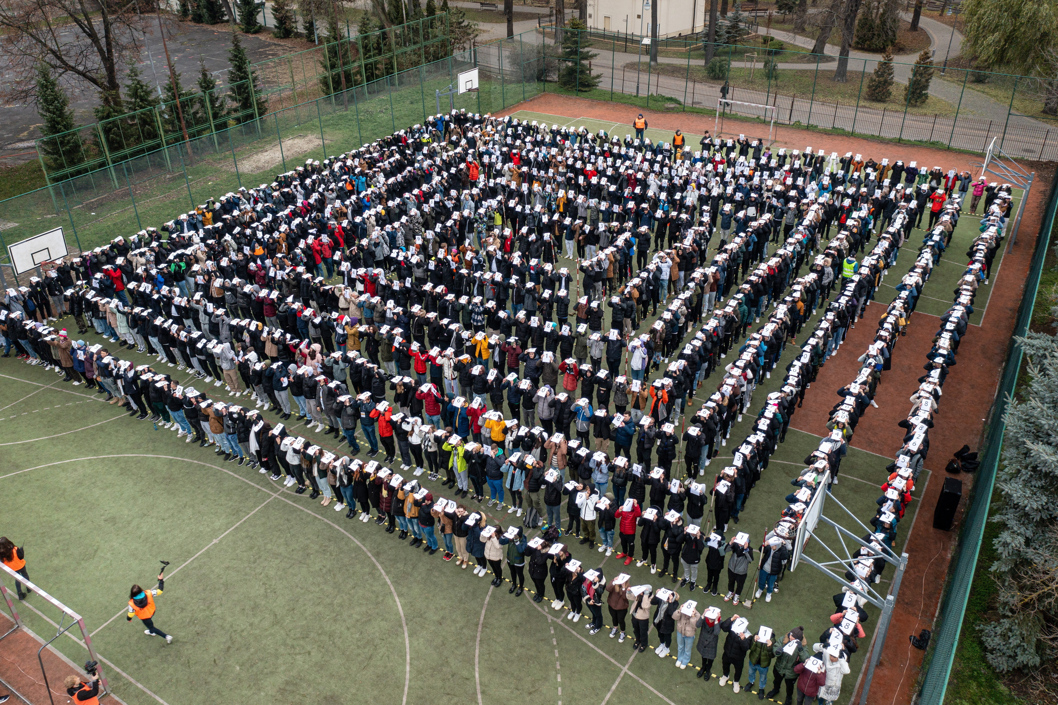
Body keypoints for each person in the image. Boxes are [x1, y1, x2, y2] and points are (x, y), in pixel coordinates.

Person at [126, 572, 172, 644]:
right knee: (150, 624)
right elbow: (160, 591)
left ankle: (166, 636)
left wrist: (129, 619)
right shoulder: (149, 593)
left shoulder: (131, 603)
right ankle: (151, 632)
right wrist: (161, 580)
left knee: (151, 627)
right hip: (152, 611)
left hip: (145, 617)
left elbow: (130, 614)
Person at [718, 614, 752, 692]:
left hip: (738, 658)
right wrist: (731, 619)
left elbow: (746, 647)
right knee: (725, 665)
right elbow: (723, 627)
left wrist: (742, 639)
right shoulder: (733, 627)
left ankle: (736, 682)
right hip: (727, 653)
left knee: (738, 670)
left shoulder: (748, 635)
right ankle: (725, 676)